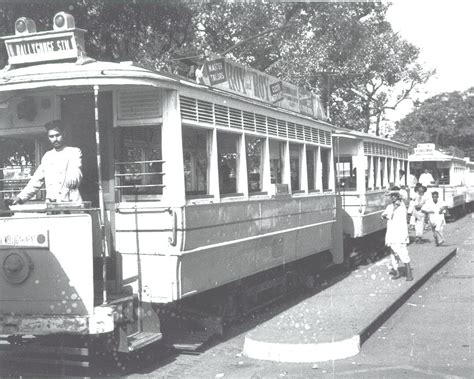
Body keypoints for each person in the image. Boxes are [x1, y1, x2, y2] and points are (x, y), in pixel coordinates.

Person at [11, 120, 83, 204]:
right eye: (51, 136)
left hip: (70, 202)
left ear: (64, 134)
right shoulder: (47, 156)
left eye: (57, 135)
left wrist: (73, 178)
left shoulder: (73, 152)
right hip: (52, 204)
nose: (55, 139)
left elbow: (76, 170)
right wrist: (20, 197)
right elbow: (36, 180)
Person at [381, 191, 413, 281]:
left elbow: (393, 216)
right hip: (391, 233)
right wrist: (383, 216)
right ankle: (397, 272)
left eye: (395, 196)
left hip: (400, 234)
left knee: (402, 253)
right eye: (392, 196)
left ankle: (409, 274)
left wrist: (390, 213)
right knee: (393, 253)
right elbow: (384, 214)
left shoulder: (402, 207)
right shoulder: (390, 207)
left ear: (399, 197)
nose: (393, 197)